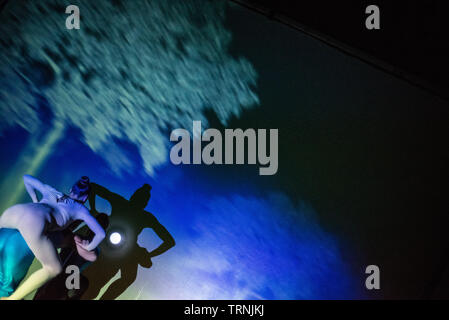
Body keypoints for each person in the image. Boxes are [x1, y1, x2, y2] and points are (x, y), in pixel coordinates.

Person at [0, 175, 105, 300]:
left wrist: (35, 201)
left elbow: (26, 178)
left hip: (13, 213)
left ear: (71, 190)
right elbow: (101, 234)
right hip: (33, 222)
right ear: (85, 197)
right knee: (53, 268)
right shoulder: (80, 209)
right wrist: (89, 245)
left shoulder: (53, 191)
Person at [33, 213, 110, 300]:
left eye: (100, 225)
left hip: (65, 280)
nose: (96, 227)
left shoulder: (94, 251)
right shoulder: (76, 237)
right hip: (54, 275)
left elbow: (79, 268)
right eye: (96, 223)